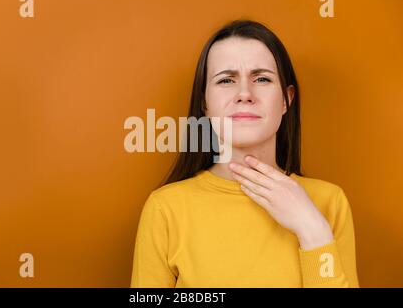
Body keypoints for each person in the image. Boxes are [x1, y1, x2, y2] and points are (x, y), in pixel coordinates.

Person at [130, 19, 359, 288]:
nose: (244, 94)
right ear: (204, 102)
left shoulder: (329, 202)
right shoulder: (165, 209)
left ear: (286, 100)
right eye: (226, 80)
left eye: (262, 78)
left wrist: (312, 230)